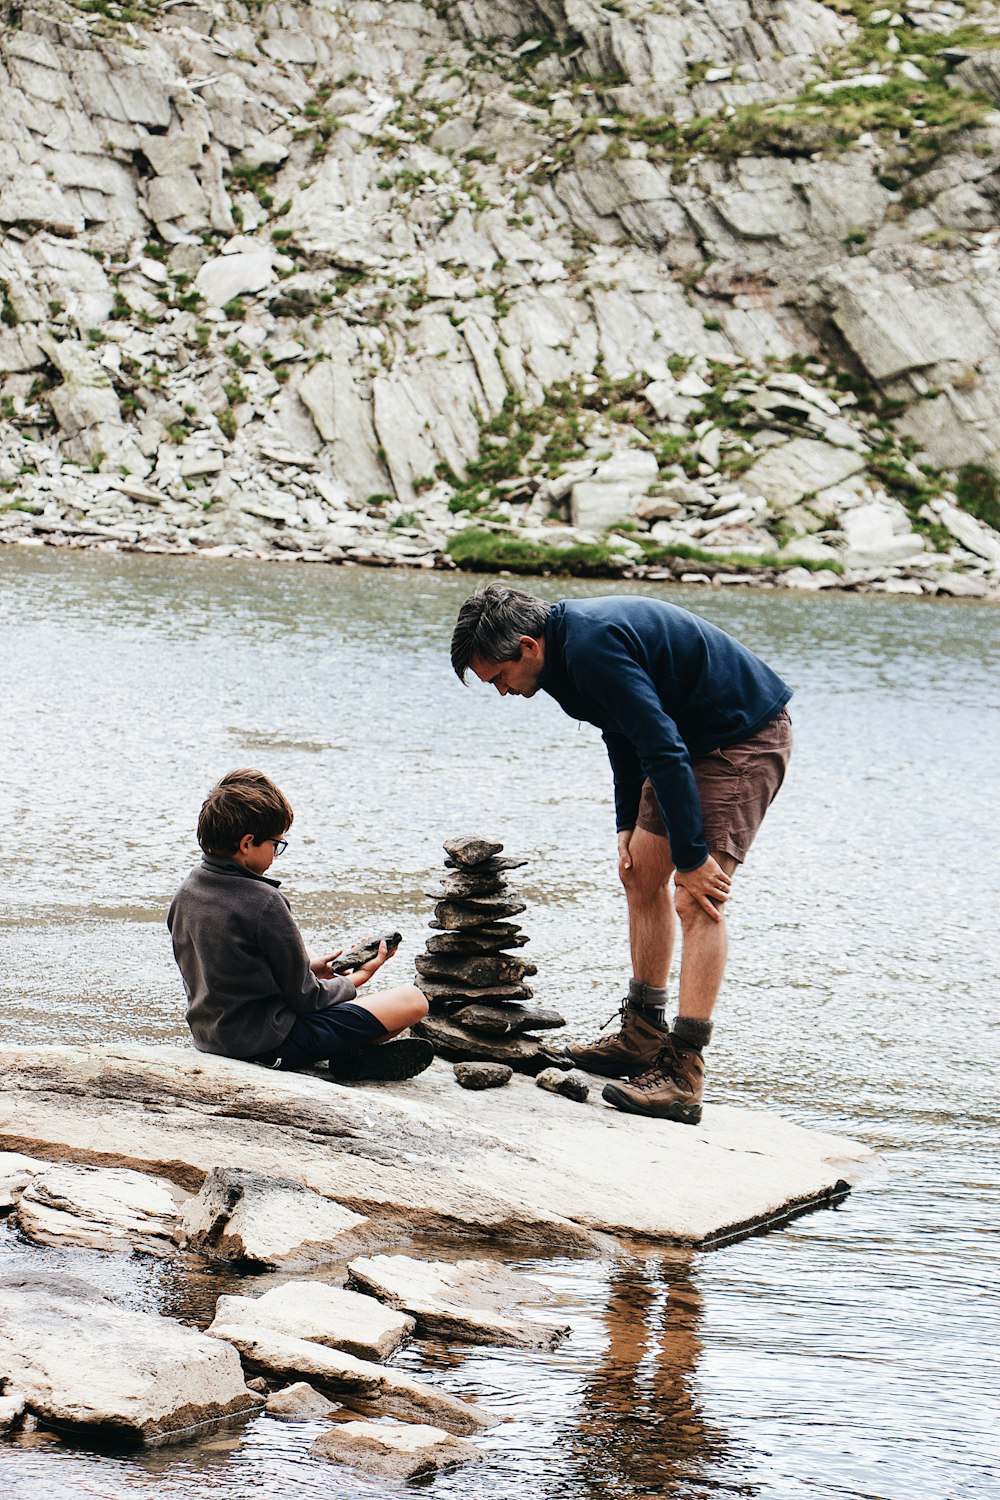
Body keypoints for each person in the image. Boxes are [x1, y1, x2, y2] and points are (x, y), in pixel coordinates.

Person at [451, 586, 792, 1124]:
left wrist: (694, 855)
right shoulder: (560, 661)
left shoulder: (589, 647)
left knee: (696, 897)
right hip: (681, 742)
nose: (501, 692)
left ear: (526, 646)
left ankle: (683, 1073)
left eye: (497, 677)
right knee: (639, 872)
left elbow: (659, 743)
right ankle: (642, 1035)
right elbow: (620, 732)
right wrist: (626, 824)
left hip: (738, 741)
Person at [167, 768, 432, 1081]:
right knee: (412, 1001)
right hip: (269, 1043)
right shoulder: (264, 901)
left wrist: (307, 966)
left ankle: (352, 1056)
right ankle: (348, 1056)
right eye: (276, 844)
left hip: (210, 1036)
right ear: (247, 843)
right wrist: (358, 977)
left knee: (358, 1003)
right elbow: (308, 999)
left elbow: (230, 972)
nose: (276, 854)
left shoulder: (187, 891)